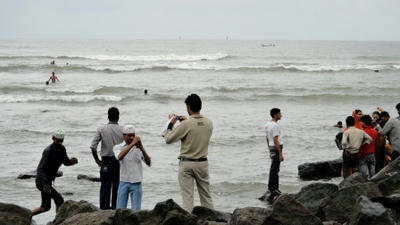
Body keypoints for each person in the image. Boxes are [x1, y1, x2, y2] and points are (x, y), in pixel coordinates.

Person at [164, 93, 213, 212]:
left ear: (188, 108)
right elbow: (196, 129)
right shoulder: (209, 122)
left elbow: (168, 139)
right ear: (200, 106)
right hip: (203, 163)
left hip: (187, 164)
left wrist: (171, 123)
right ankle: (212, 219)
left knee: (187, 198)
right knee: (206, 196)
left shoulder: (186, 124)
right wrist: (186, 123)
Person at [32, 130, 78, 216]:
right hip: (41, 181)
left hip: (48, 181)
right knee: (59, 199)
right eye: (58, 140)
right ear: (53, 139)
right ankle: (58, 221)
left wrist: (72, 162)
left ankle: (27, 216)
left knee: (45, 207)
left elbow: (65, 162)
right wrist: (46, 185)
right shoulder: (48, 151)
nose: (60, 142)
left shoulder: (62, 149)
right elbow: (40, 169)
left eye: (61, 140)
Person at [90, 107, 123, 209]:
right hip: (119, 161)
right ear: (118, 117)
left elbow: (93, 146)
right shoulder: (123, 130)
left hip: (106, 162)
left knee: (105, 186)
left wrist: (97, 160)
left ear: (108, 116)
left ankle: (104, 210)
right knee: (117, 186)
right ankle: (115, 208)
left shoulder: (101, 129)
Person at [113, 125, 151, 210]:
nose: (131, 137)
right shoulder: (117, 147)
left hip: (136, 182)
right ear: (124, 135)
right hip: (124, 181)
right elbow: (119, 157)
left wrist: (142, 149)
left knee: (136, 210)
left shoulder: (139, 148)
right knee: (120, 209)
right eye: (129, 135)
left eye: (133, 135)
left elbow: (148, 163)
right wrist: (132, 144)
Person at [264, 108, 284, 203]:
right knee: (275, 169)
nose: (281, 115)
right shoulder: (275, 125)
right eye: (279, 114)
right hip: (276, 147)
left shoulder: (267, 124)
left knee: (273, 168)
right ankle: (274, 188)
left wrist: (269, 150)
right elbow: (276, 139)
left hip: (271, 147)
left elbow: (267, 138)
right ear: (275, 115)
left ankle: (271, 187)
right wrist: (280, 153)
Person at [359, 115, 378, 179]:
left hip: (364, 154)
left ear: (364, 122)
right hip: (372, 153)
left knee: (363, 170)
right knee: (372, 171)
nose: (359, 123)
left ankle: (364, 184)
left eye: (360, 121)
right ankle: (373, 183)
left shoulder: (362, 132)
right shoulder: (375, 131)